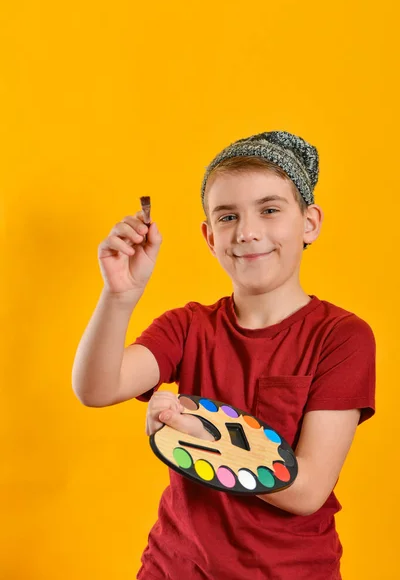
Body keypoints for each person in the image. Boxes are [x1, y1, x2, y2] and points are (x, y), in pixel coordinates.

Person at [72, 131, 376, 580]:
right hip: (174, 567)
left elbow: (307, 489)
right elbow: (97, 388)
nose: (247, 231)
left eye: (270, 210)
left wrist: (200, 431)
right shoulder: (187, 326)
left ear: (309, 222)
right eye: (228, 216)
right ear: (210, 236)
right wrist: (119, 296)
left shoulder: (342, 337)